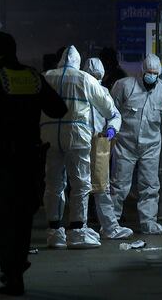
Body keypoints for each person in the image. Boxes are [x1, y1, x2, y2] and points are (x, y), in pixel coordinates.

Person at [0, 32, 67, 296]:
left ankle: (12, 273)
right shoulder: (32, 77)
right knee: (23, 216)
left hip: (5, 160)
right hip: (31, 160)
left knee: (1, 216)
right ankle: (17, 266)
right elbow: (58, 109)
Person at [41, 45, 117, 249]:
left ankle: (55, 232)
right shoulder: (84, 79)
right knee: (81, 184)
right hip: (77, 138)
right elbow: (110, 110)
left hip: (49, 137)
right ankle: (76, 231)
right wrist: (112, 126)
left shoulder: (46, 77)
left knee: (54, 184)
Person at [110, 53, 162, 234]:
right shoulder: (124, 86)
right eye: (149, 72)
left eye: (155, 73)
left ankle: (149, 222)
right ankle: (112, 222)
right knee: (119, 184)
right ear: (142, 71)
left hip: (151, 145)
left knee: (150, 185)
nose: (151, 75)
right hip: (125, 144)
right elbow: (112, 109)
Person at [83, 57, 133, 239]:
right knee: (97, 187)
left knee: (91, 187)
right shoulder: (97, 91)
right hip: (92, 142)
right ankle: (103, 227)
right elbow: (113, 114)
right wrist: (111, 128)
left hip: (91, 142)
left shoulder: (98, 91)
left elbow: (114, 115)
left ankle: (81, 227)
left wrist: (112, 128)